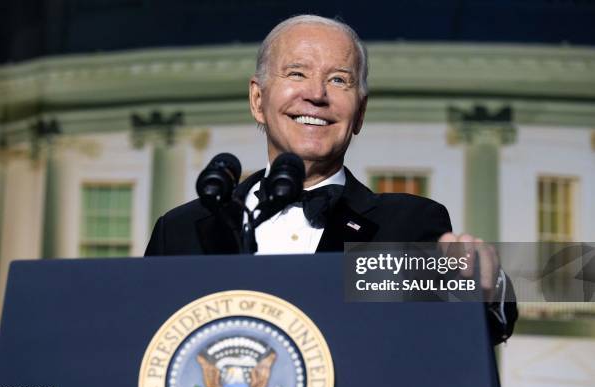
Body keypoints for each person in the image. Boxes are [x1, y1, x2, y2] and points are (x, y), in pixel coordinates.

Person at [145, 15, 517, 344]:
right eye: (296, 73)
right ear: (258, 100)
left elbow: (459, 333)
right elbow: (137, 343)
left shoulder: (407, 226)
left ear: (359, 113)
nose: (316, 94)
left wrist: (488, 287)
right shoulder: (182, 230)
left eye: (338, 80)